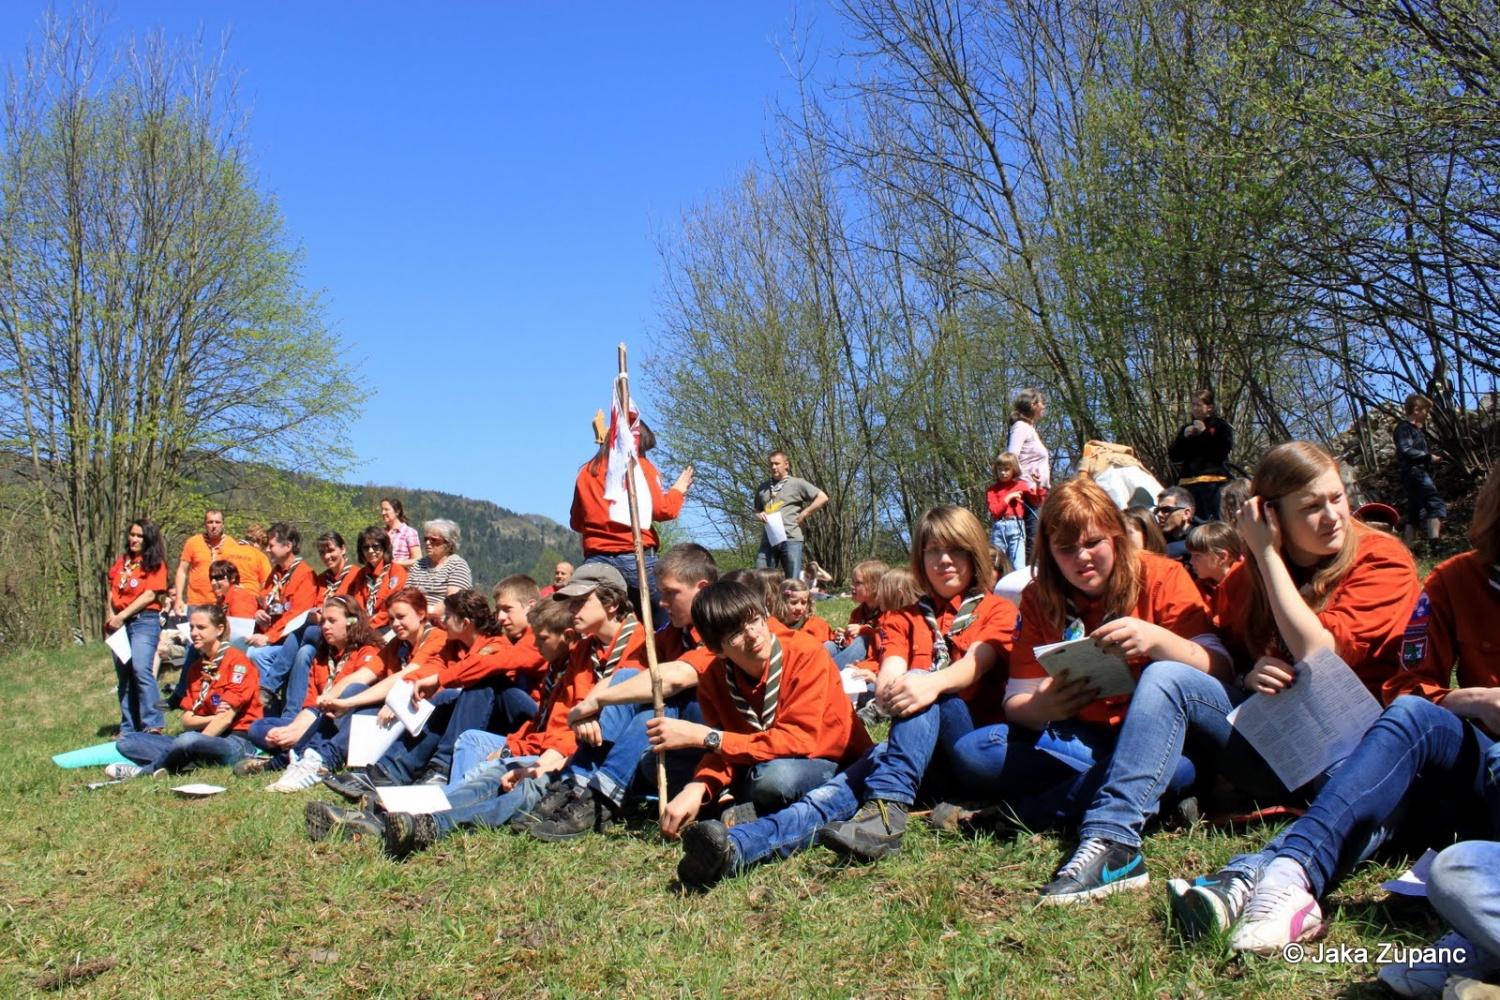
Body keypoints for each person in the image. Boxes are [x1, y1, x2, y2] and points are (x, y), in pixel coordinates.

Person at [1151, 441, 1423, 943]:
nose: (1333, 517)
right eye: (1312, 507)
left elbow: (1321, 653)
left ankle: (1252, 875)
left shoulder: (1382, 559)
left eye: (1336, 498)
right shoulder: (1241, 585)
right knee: (1169, 678)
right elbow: (1230, 657)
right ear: (1270, 514)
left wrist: (1267, 553)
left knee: (1364, 796)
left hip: (1363, 752)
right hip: (1280, 744)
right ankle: (1112, 837)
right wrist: (1245, 677)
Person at [674, 506, 1016, 887]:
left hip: (970, 746)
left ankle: (886, 805)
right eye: (932, 551)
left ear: (975, 553)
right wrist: (891, 683)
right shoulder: (905, 616)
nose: (944, 560)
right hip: (916, 757)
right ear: (920, 557)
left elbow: (973, 665)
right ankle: (739, 847)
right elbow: (893, 664)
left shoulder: (998, 610)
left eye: (957, 550)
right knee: (837, 792)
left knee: (923, 687)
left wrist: (926, 682)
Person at [946, 477, 1223, 903]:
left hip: (1170, 741)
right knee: (974, 752)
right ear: (1049, 552)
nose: (1082, 558)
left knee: (1180, 765)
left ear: (1115, 535)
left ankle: (1027, 814)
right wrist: (1046, 704)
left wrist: (1157, 640)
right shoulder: (1041, 597)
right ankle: (1146, 790)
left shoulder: (1163, 574)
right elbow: (1016, 704)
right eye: (1065, 549)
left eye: (1093, 543)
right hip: (1086, 738)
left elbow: (1219, 672)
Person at [654, 579, 874, 846]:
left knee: (775, 780)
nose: (754, 635)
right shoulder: (714, 680)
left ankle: (732, 804)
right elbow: (724, 752)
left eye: (756, 620)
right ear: (716, 649)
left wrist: (710, 738)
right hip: (757, 759)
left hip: (828, 760)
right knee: (657, 765)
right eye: (735, 633)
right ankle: (730, 803)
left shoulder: (806, 654)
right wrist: (698, 785)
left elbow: (797, 740)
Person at [243, 595, 387, 792]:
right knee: (259, 727)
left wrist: (299, 733)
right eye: (323, 622)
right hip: (315, 719)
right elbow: (311, 703)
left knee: (349, 694)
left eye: (332, 621)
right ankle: (295, 746)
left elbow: (346, 702)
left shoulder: (367, 652)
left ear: (351, 622)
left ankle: (291, 754)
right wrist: (292, 730)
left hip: (343, 722)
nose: (325, 627)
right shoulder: (320, 656)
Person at [109, 605, 264, 778]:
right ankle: (185, 762)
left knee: (187, 740)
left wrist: (197, 741)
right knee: (127, 741)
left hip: (235, 741)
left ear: (219, 629)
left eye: (201, 627)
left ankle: (146, 771)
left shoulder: (238, 663)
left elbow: (226, 719)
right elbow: (187, 720)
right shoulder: (197, 668)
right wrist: (211, 720)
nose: (194, 633)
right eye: (191, 627)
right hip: (198, 738)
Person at [570, 420, 692, 618]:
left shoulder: (586, 471)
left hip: (595, 561)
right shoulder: (640, 467)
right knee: (666, 622)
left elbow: (576, 522)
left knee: (600, 629)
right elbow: (662, 509)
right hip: (634, 557)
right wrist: (678, 491)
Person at [244, 523, 319, 713]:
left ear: (288, 546)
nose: (267, 550)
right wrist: (257, 611)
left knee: (256, 654)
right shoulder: (276, 574)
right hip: (269, 635)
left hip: (287, 641)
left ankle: (268, 703)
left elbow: (297, 616)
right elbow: (263, 598)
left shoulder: (304, 574)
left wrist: (269, 638)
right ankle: (260, 704)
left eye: (271, 545)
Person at [106, 518, 169, 737]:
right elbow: (111, 588)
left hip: (144, 621)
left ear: (148, 539)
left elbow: (151, 594)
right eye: (132, 534)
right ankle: (128, 727)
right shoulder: (123, 561)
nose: (134, 539)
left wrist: (122, 614)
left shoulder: (155, 563)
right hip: (119, 625)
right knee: (124, 675)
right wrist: (111, 615)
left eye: (139, 536)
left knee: (141, 669)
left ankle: (153, 723)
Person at [753, 450, 828, 583]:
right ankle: (763, 603)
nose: (774, 467)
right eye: (771, 464)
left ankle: (793, 603)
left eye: (777, 463)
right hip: (769, 538)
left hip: (791, 537)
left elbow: (822, 497)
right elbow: (757, 510)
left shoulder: (797, 483)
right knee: (760, 576)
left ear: (786, 465)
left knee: (792, 580)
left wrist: (804, 513)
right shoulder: (763, 487)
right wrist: (759, 515)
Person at [1167, 388, 1234, 520]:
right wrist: (1184, 438)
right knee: (1191, 521)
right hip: (1188, 482)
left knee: (1213, 520)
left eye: (1199, 405)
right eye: (1193, 404)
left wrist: (1204, 433)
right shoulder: (1187, 428)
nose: (1195, 408)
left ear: (1209, 408)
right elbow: (1174, 456)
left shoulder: (1220, 426)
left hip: (1212, 482)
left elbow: (1221, 453)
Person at [1396, 392, 1448, 557]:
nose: (1427, 414)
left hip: (1413, 474)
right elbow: (1406, 450)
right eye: (1425, 410)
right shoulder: (1404, 428)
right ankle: (1436, 547)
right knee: (1435, 504)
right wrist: (1428, 457)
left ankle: (1408, 552)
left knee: (1414, 513)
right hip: (1415, 473)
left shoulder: (1411, 429)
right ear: (1417, 409)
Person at [1007, 388, 1051, 554]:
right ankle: (1030, 575)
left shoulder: (1030, 429)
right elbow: (1012, 456)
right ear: (1033, 405)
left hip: (1040, 491)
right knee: (1034, 537)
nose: (1044, 407)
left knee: (1041, 535)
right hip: (1029, 491)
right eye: (1042, 403)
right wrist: (1024, 481)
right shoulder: (1021, 427)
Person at [171, 509, 237, 613]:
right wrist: (179, 599)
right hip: (196, 602)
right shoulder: (193, 542)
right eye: (210, 522)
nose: (214, 525)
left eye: (217, 522)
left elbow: (236, 576)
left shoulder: (232, 544)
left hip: (223, 603)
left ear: (223, 524)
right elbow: (182, 571)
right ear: (204, 525)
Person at [405, 519, 473, 616]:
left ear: (449, 544)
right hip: (413, 618)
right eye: (426, 539)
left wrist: (426, 613)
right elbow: (406, 594)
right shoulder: (419, 564)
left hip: (441, 622)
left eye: (434, 540)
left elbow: (453, 600)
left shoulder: (457, 565)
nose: (428, 543)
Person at [349, 525, 409, 632]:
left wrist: (368, 624)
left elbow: (392, 608)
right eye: (366, 547)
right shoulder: (361, 575)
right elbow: (356, 606)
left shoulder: (396, 572)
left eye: (375, 546)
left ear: (385, 547)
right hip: (363, 626)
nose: (370, 551)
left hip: (387, 625)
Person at [1183, 520, 1243, 615]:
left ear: (1222, 556)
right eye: (1191, 555)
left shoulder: (1246, 583)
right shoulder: (1203, 586)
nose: (1191, 561)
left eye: (1197, 555)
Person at [987, 451, 1032, 570]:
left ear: (1014, 470)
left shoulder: (1021, 485)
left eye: (1007, 469)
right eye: (1000, 469)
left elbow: (1036, 500)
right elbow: (995, 511)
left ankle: (1020, 588)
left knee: (1018, 564)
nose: (1003, 473)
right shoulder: (992, 490)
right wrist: (1008, 497)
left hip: (1016, 526)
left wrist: (1037, 484)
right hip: (999, 527)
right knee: (995, 564)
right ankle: (995, 588)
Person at [780, 579, 833, 643]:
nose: (799, 608)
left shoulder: (816, 625)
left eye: (803, 603)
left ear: (808, 603)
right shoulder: (774, 624)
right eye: (794, 602)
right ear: (782, 602)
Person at [1154, 487, 1198, 562]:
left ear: (1186, 513)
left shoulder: (1204, 539)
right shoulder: (1157, 539)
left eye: (1166, 510)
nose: (1159, 514)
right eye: (1157, 510)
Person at [380, 497, 422, 568]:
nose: (383, 513)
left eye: (386, 509)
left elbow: (418, 559)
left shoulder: (409, 532)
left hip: (400, 575)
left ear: (397, 512)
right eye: (382, 510)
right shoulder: (381, 533)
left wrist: (396, 563)